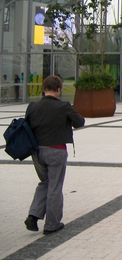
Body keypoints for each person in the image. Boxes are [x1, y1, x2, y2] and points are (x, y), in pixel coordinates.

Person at [24, 75, 85, 235]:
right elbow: (80, 122)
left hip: (37, 152)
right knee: (55, 186)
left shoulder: (33, 107)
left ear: (44, 90)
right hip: (56, 151)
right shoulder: (63, 106)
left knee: (45, 182)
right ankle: (52, 224)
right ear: (59, 89)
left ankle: (33, 215)